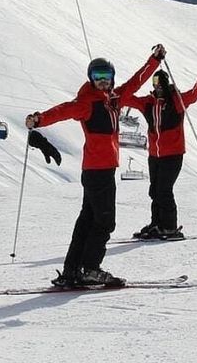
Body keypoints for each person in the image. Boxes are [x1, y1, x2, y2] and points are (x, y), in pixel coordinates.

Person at [25, 46, 164, 287]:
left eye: (106, 77)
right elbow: (63, 111)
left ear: (111, 79)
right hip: (98, 172)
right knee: (105, 221)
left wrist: (155, 60)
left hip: (98, 171)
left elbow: (134, 83)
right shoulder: (87, 103)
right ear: (91, 79)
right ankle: (90, 269)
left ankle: (72, 271)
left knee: (87, 221)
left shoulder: (113, 100)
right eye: (97, 77)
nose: (102, 82)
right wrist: (39, 119)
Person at [123, 62, 197, 241]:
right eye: (155, 83)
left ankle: (170, 227)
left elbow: (195, 93)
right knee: (154, 190)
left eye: (160, 83)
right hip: (154, 155)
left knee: (164, 189)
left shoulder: (176, 101)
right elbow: (126, 98)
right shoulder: (148, 102)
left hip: (173, 154)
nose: (157, 86)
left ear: (166, 83)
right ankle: (157, 224)